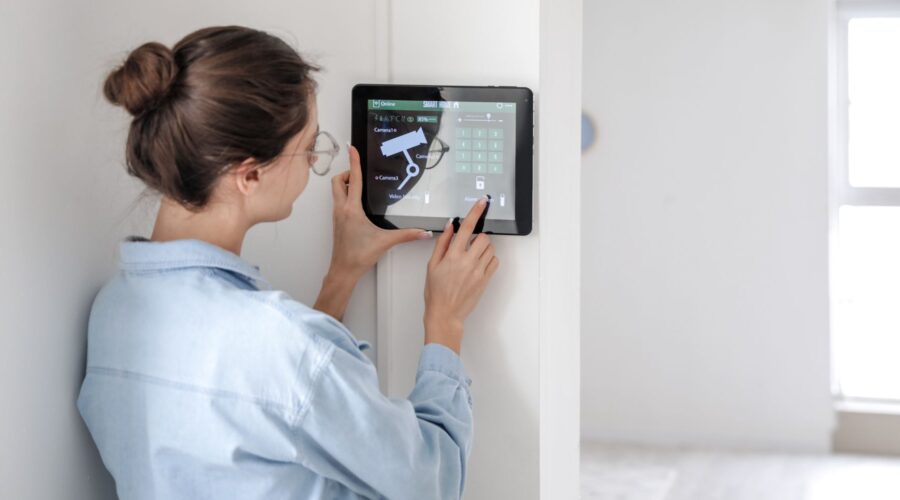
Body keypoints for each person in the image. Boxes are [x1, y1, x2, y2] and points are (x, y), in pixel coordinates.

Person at [76, 25, 499, 500]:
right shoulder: (283, 344)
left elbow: (269, 409)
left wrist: (342, 273)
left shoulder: (114, 310)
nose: (316, 161)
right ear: (250, 174)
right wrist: (445, 324)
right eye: (310, 148)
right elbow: (430, 481)